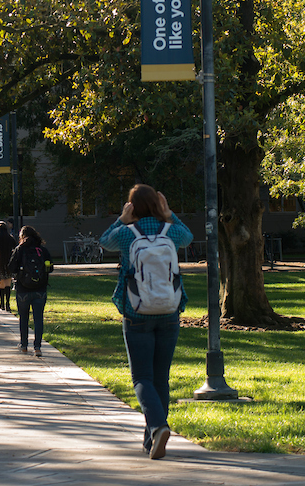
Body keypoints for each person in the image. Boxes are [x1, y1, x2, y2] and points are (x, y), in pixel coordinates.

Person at [99, 185, 193, 460]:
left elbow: (104, 242)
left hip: (137, 313)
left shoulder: (126, 233)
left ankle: (158, 426)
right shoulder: (171, 231)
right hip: (169, 312)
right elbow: (188, 237)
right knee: (160, 378)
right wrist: (170, 214)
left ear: (133, 207)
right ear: (157, 205)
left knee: (142, 377)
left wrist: (121, 219)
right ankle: (152, 437)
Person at [8, 225, 53, 356]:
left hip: (23, 289)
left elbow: (11, 267)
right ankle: (37, 347)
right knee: (38, 318)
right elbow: (50, 267)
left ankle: (24, 345)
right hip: (40, 289)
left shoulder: (20, 249)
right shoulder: (42, 250)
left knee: (24, 318)